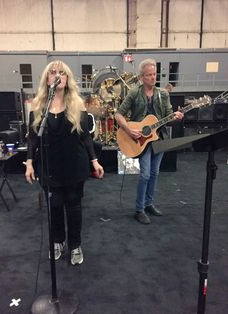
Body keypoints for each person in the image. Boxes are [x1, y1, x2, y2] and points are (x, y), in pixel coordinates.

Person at [24, 60, 104, 265]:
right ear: (47, 78)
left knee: (74, 206)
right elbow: (33, 138)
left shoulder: (77, 105)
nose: (57, 75)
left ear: (67, 79)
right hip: (49, 166)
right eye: (53, 72)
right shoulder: (38, 107)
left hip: (74, 165)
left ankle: (75, 244)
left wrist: (94, 161)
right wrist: (30, 162)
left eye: (62, 72)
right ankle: (58, 241)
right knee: (55, 206)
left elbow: (85, 137)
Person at [115, 58, 183, 224]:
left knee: (154, 174)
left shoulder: (163, 94)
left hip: (159, 138)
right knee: (145, 175)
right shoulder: (134, 93)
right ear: (141, 77)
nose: (153, 78)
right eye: (149, 75)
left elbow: (169, 116)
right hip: (141, 139)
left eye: (155, 74)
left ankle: (149, 203)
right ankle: (139, 209)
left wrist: (177, 117)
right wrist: (128, 129)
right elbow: (118, 114)